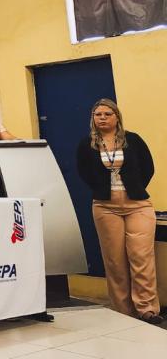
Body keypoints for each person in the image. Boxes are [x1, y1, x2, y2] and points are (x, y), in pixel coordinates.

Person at [76, 99, 160, 324]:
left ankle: (147, 308)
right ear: (93, 118)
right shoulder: (87, 144)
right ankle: (123, 311)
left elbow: (148, 167)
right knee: (115, 261)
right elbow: (82, 170)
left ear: (116, 117)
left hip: (137, 205)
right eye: (98, 114)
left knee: (141, 256)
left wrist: (135, 186)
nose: (102, 118)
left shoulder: (132, 140)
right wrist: (100, 188)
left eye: (107, 114)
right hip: (106, 207)